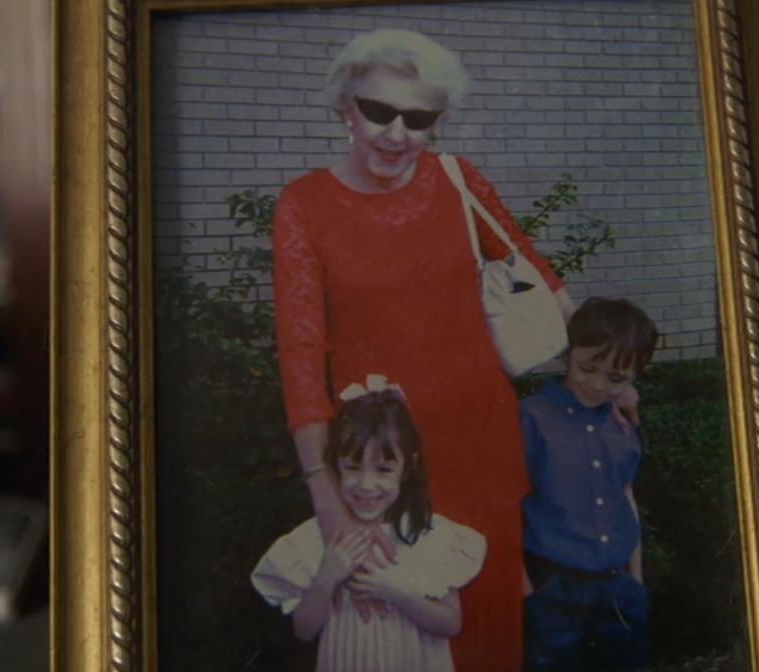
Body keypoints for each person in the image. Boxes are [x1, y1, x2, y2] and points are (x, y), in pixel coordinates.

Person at [271, 28, 639, 672]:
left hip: (480, 441)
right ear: (346, 108)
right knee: (400, 634)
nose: (396, 134)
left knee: (490, 619)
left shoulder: (456, 178)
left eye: (418, 119)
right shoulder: (304, 205)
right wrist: (324, 491)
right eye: (379, 111)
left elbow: (534, 270)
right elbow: (301, 351)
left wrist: (614, 374)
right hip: (383, 463)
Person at [250, 377, 487, 672]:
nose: (366, 484)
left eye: (383, 469)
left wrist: (400, 593)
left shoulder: (428, 535)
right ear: (335, 465)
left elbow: (450, 623)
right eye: (352, 467)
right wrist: (326, 577)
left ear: (407, 468)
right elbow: (304, 630)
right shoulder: (320, 537)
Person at [520, 297, 660, 672]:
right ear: (568, 354)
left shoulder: (621, 425)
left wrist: (636, 580)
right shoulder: (529, 418)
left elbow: (625, 494)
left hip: (618, 590)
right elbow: (505, 507)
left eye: (616, 378)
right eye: (587, 368)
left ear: (634, 377)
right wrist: (528, 592)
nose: (597, 385)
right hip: (552, 590)